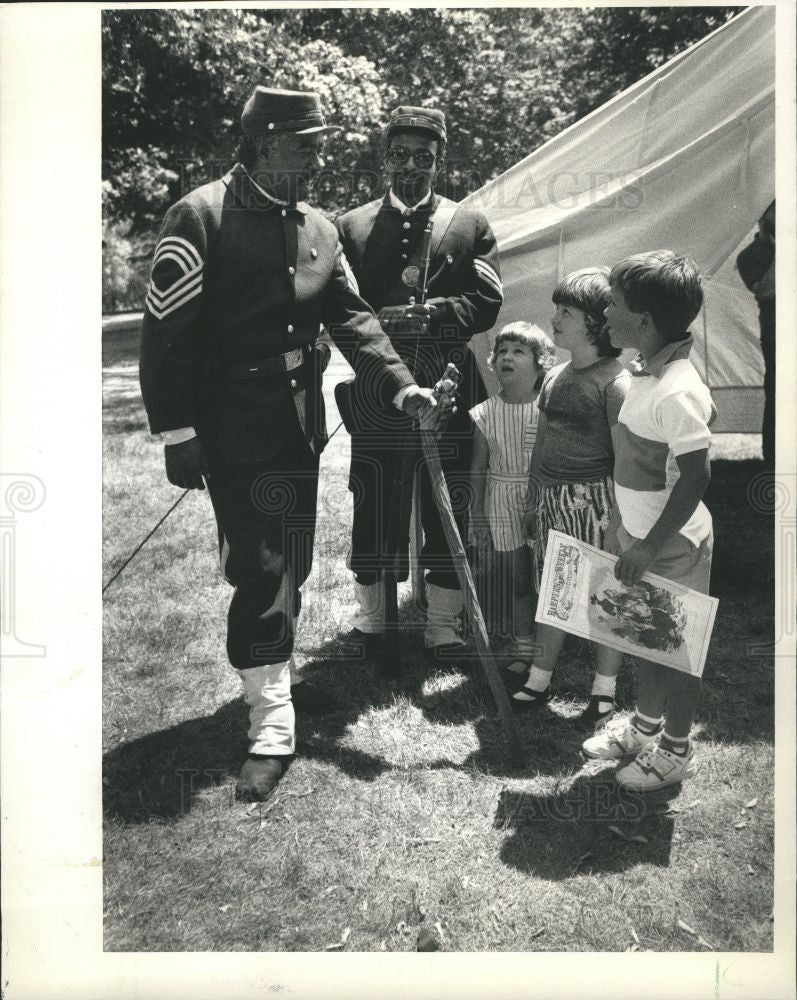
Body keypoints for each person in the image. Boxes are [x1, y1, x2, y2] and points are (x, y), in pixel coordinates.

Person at [139, 86, 436, 802]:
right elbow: (165, 333)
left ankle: (275, 685)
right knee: (263, 563)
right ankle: (270, 722)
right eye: (303, 142)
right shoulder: (201, 215)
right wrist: (178, 430)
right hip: (230, 422)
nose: (316, 153)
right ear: (263, 142)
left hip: (297, 420)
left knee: (291, 556)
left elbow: (353, 319)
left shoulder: (318, 227)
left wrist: (401, 386)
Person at [335, 106, 504, 664]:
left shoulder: (469, 222)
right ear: (385, 157)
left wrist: (431, 315)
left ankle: (442, 626)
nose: (412, 166)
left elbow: (487, 303)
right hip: (379, 391)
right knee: (375, 500)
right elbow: (341, 312)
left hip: (451, 384)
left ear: (440, 160)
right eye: (401, 155)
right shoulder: (350, 226)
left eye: (424, 157)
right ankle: (375, 623)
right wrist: (383, 329)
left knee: (449, 501)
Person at [582, 250, 715, 791]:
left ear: (645, 318)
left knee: (678, 650)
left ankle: (676, 748)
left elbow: (697, 477)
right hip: (640, 537)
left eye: (612, 305)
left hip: (674, 545)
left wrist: (648, 546)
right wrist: (624, 530)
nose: (605, 315)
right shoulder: (644, 370)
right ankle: (643, 727)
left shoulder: (678, 387)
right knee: (643, 636)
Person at [514, 267, 629, 731]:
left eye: (566, 312)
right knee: (554, 589)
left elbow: (625, 460)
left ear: (596, 324)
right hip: (552, 503)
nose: (555, 320)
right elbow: (542, 442)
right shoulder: (556, 376)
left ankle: (605, 690)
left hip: (596, 501)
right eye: (557, 310)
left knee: (605, 597)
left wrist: (617, 520)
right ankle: (540, 678)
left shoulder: (616, 382)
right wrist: (532, 498)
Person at [468, 323, 555, 679]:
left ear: (540, 363)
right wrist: (476, 515)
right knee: (520, 581)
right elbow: (477, 469)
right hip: (502, 500)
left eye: (519, 351)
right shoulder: (484, 413)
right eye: (502, 351)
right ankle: (524, 650)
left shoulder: (549, 409)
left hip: (544, 499)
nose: (507, 357)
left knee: (550, 577)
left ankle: (552, 647)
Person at [736, 201, 775, 468]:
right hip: (776, 335)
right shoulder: (749, 256)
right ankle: (774, 459)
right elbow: (766, 291)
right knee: (777, 392)